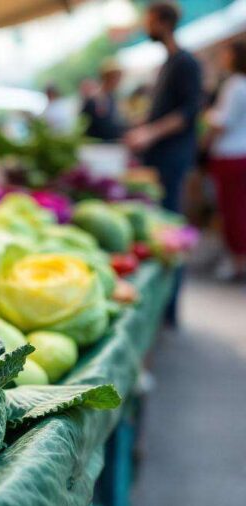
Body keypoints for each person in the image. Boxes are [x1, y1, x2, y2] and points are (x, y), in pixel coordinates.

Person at [124, 1, 202, 324]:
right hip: (161, 157)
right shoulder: (170, 62)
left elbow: (188, 114)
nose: (146, 27)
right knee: (160, 228)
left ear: (162, 22)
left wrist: (150, 133)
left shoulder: (185, 62)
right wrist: (142, 127)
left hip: (172, 159)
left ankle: (169, 311)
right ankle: (164, 310)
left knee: (169, 232)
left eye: (149, 21)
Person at [204, 41, 246, 280]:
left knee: (233, 211)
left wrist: (208, 115)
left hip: (230, 155)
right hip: (240, 154)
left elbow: (223, 122)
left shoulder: (235, 85)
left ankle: (237, 260)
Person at [82, 60, 126, 142]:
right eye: (117, 78)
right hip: (99, 146)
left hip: (111, 143)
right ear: (108, 78)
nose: (119, 82)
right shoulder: (94, 99)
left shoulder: (111, 97)